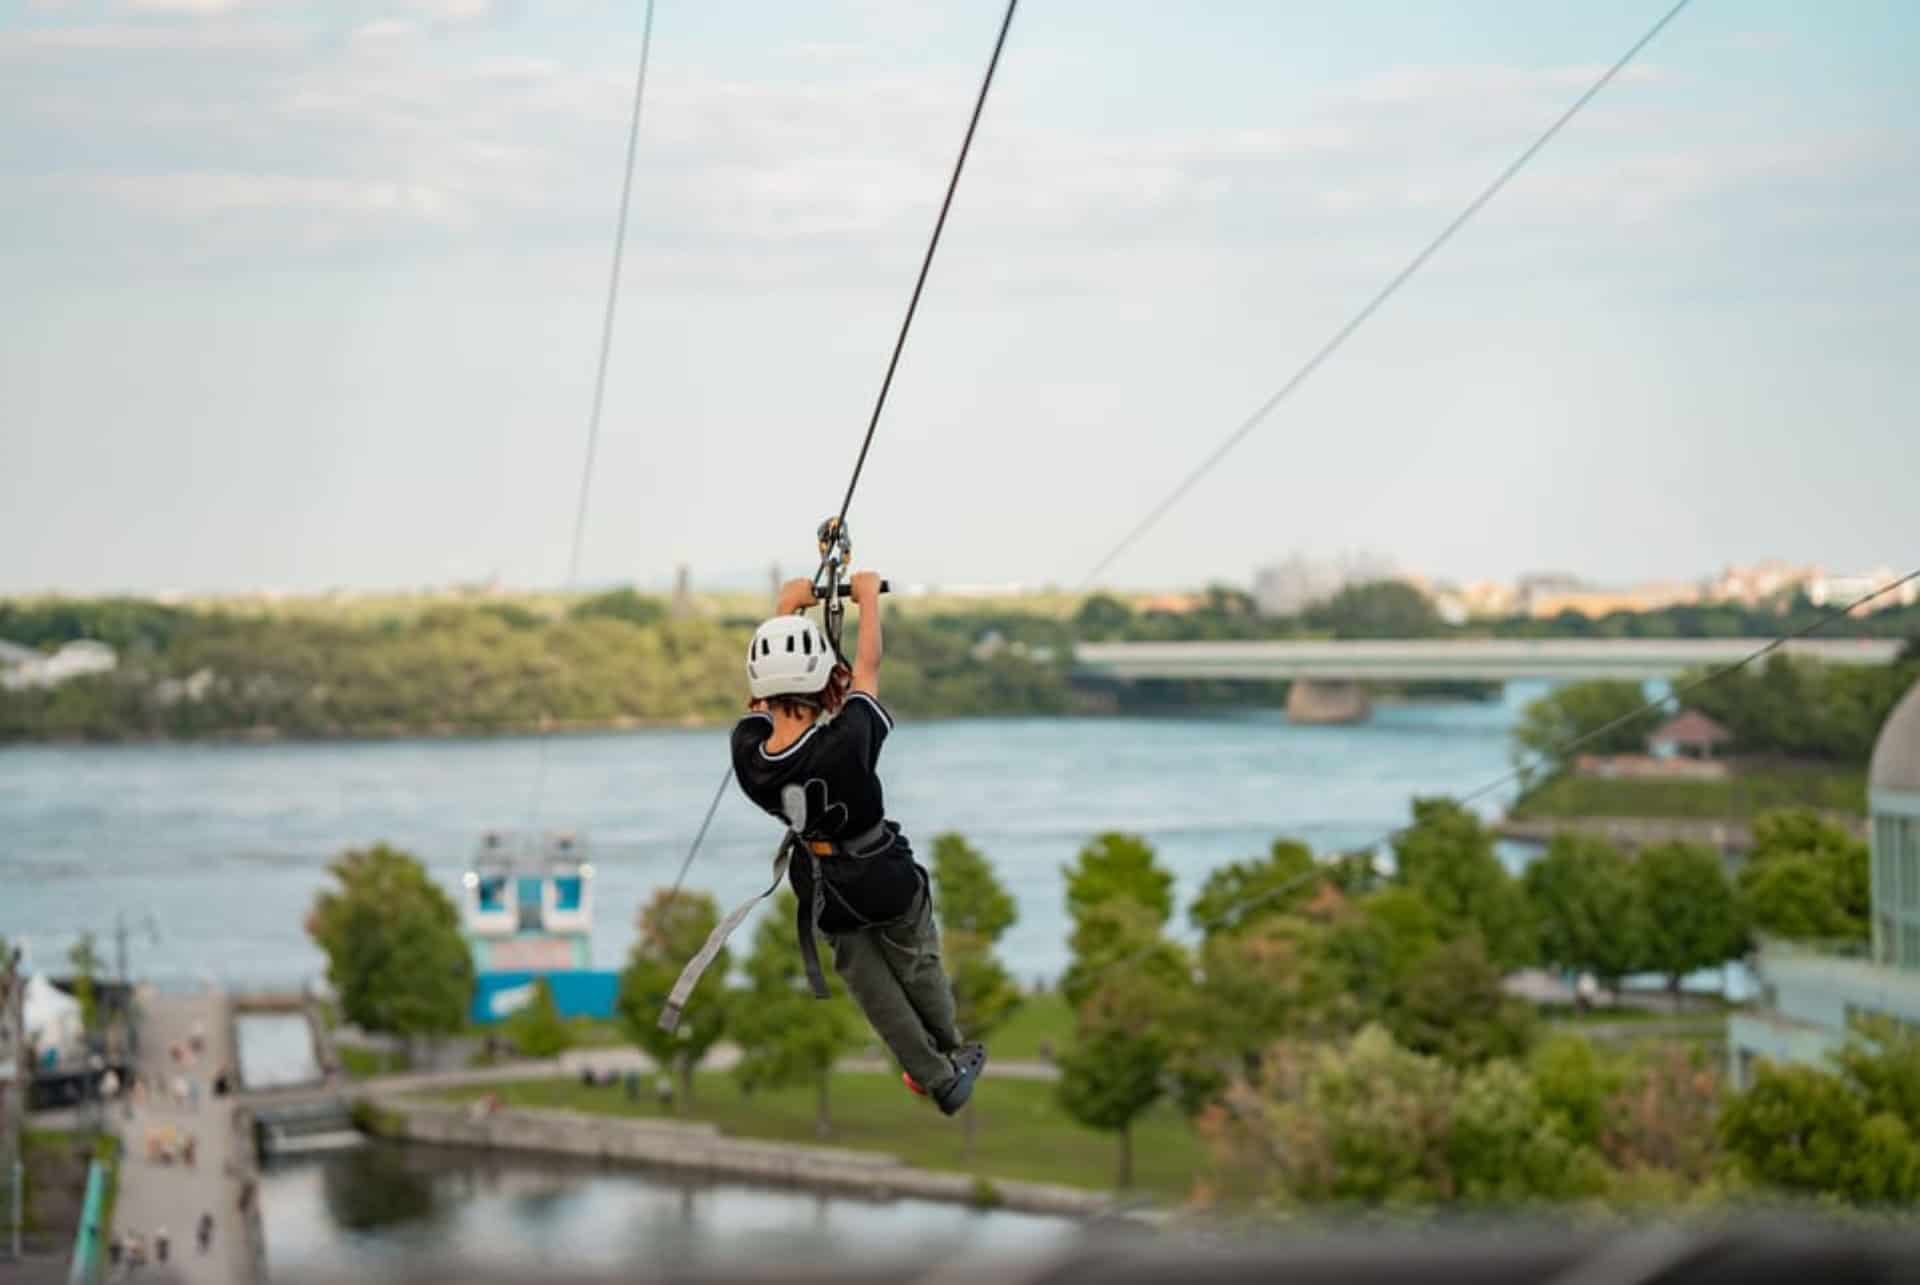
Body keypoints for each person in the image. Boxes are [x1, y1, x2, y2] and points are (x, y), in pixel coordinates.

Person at [731, 572, 986, 1115]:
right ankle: (952, 1048)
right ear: (819, 676)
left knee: (875, 992)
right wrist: (867, 598)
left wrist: (786, 607)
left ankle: (938, 1079)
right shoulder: (845, 743)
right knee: (916, 962)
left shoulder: (749, 757)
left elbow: (762, 700)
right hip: (879, 872)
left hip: (823, 889)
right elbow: (867, 669)